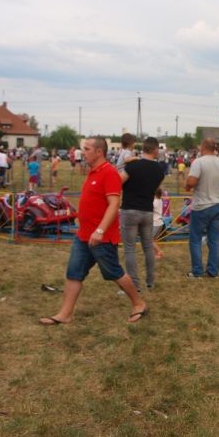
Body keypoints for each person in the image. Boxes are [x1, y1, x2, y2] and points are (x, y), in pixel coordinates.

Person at [39, 136, 147, 325]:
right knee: (74, 273)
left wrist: (100, 230)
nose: (83, 152)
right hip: (84, 236)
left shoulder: (109, 173)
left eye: (87, 149)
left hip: (101, 237)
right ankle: (65, 314)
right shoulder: (93, 172)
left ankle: (138, 304)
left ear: (99, 152)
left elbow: (114, 204)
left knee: (115, 272)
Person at [119, 136, 164, 292]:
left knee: (130, 249)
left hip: (130, 210)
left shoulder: (133, 166)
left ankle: (134, 285)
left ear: (143, 148)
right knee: (148, 247)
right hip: (147, 212)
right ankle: (150, 281)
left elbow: (118, 181)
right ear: (155, 150)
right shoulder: (159, 170)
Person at [185, 138, 219, 278]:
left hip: (201, 206)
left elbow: (191, 181)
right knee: (214, 240)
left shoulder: (198, 162)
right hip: (217, 205)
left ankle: (197, 271)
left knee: (195, 240)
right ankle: (213, 271)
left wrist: (187, 184)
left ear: (203, 147)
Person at [152, 188, 166, 260]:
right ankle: (156, 255)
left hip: (155, 223)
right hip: (160, 223)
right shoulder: (160, 200)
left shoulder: (154, 202)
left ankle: (160, 252)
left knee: (150, 240)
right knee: (154, 240)